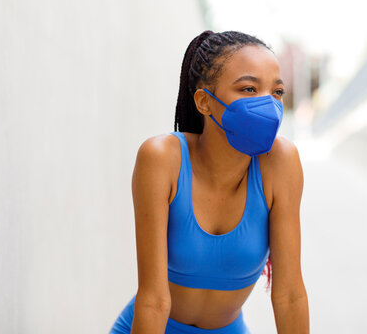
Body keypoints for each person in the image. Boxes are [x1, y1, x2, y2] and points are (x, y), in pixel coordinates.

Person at [109, 30, 309, 334]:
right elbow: (153, 300)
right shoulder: (162, 158)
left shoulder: (281, 163)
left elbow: (289, 295)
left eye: (276, 92)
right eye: (249, 89)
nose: (268, 104)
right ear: (204, 101)